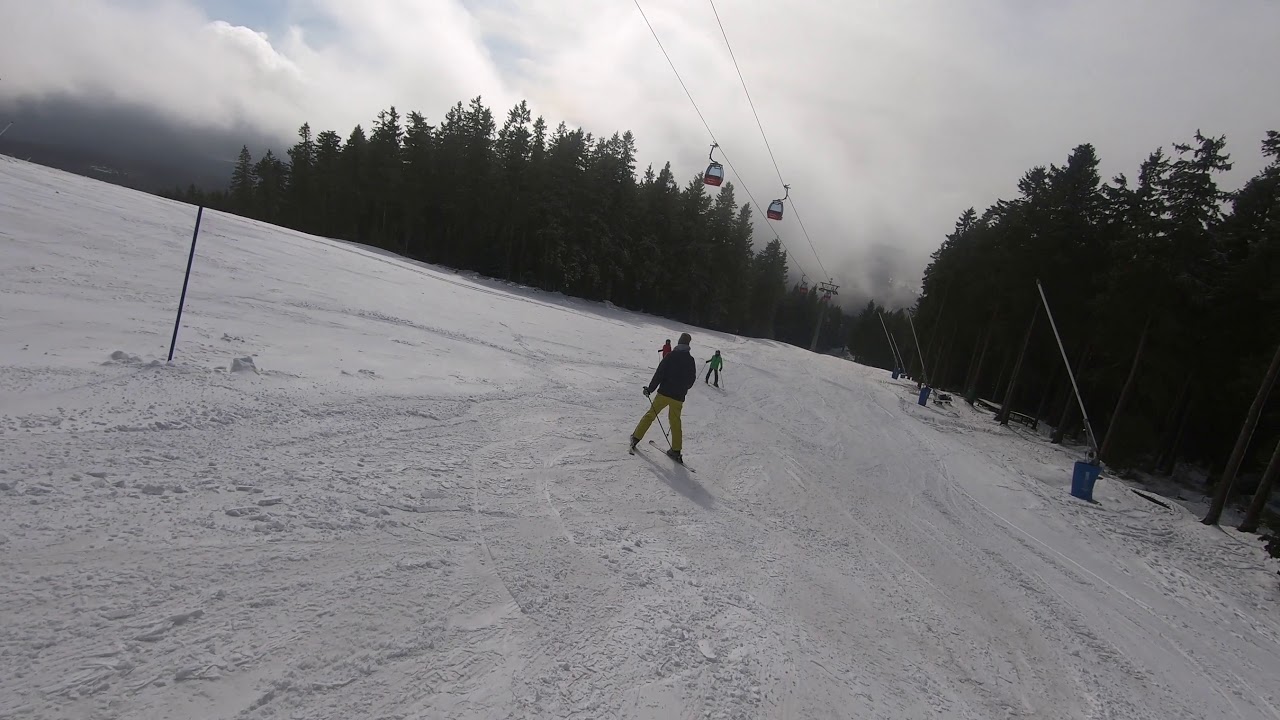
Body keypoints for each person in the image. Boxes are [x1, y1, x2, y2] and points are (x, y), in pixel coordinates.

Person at [631, 332, 697, 464]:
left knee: (651, 415)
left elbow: (659, 373)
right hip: (678, 397)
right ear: (688, 345)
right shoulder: (690, 360)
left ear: (678, 342)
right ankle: (676, 450)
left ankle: (636, 438)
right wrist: (683, 388)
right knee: (675, 422)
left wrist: (650, 389)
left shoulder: (670, 356)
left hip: (664, 393)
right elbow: (691, 379)